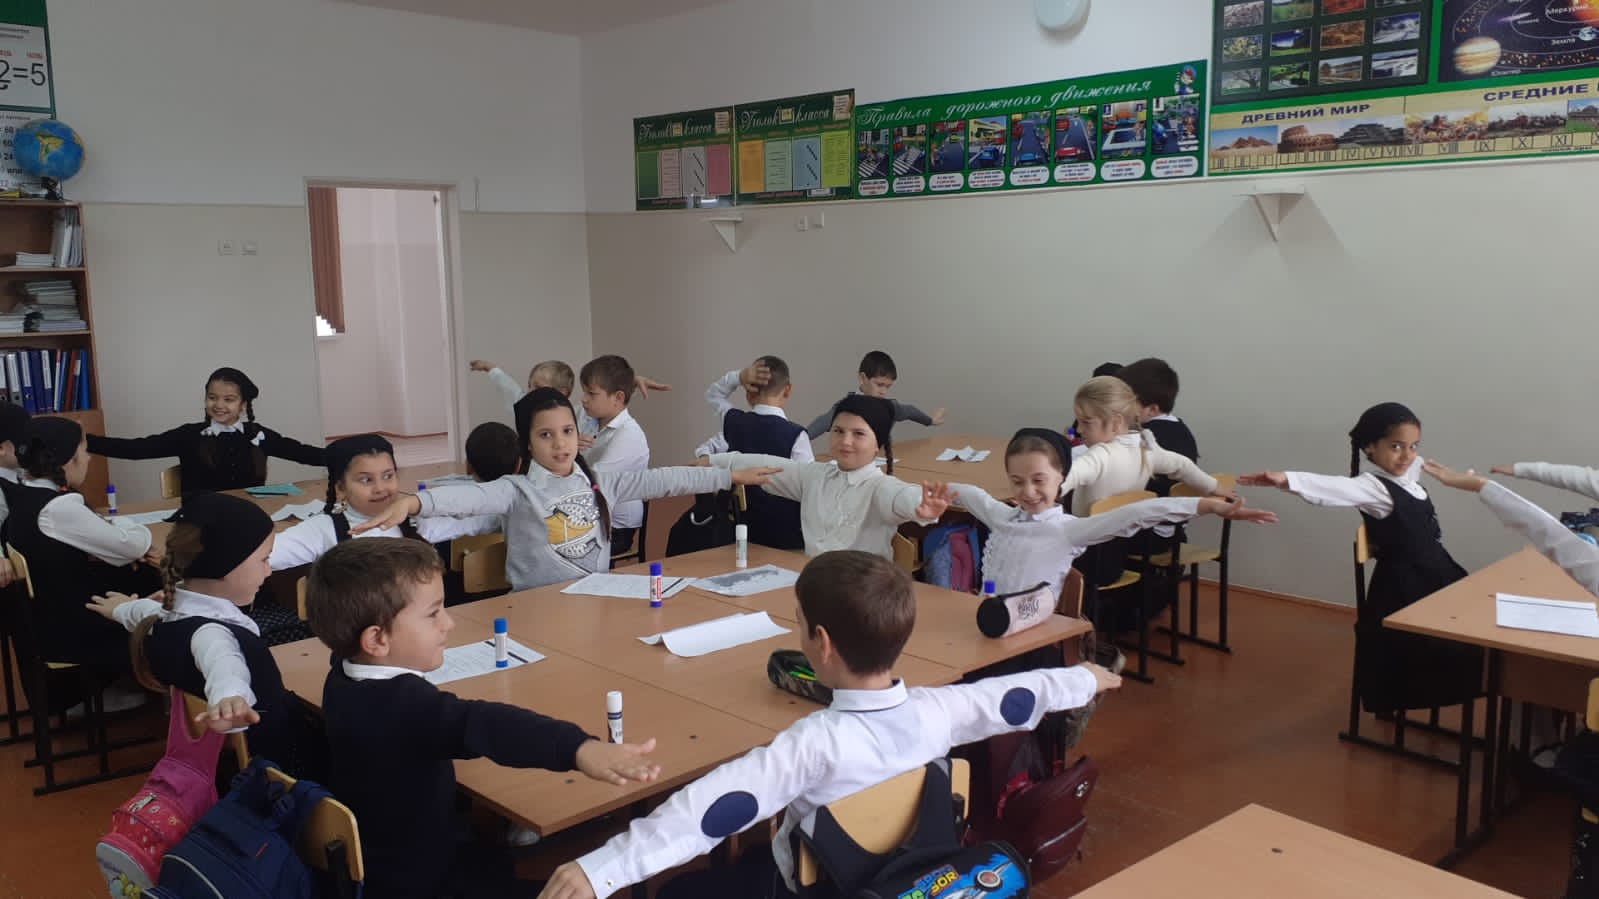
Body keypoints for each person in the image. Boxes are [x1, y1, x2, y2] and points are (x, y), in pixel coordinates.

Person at [534, 550, 1121, 899]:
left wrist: (600, 869)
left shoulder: (812, 745)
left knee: (683, 891)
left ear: (820, 643)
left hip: (819, 887)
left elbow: (711, 810)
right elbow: (1011, 698)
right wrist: (1084, 679)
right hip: (910, 870)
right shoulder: (937, 710)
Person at [307, 538, 662, 899]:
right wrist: (580, 749)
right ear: (376, 640)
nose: (449, 623)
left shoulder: (343, 675)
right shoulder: (405, 707)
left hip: (389, 863)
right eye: (433, 614)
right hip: (427, 879)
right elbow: (488, 725)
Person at [356, 388, 777, 590]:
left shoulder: (602, 483)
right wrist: (416, 502)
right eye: (546, 435)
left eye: (567, 431)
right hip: (535, 608)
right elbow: (470, 497)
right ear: (527, 444)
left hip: (597, 598)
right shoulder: (517, 490)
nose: (560, 444)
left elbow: (664, 479)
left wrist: (726, 475)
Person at [1240, 402, 1483, 715]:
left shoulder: (1409, 471)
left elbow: (1418, 462)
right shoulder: (1373, 488)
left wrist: (1458, 476)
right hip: (1404, 586)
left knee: (1476, 617)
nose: (1407, 456)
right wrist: (1286, 479)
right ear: (1370, 447)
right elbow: (1334, 489)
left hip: (1435, 571)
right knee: (1457, 637)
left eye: (1413, 446)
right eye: (1396, 447)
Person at [89, 492, 321, 777]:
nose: (269, 570)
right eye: (264, 560)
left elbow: (143, 611)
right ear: (225, 566)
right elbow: (223, 664)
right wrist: (229, 698)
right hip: (280, 769)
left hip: (227, 766)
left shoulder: (167, 615)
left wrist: (121, 608)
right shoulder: (211, 633)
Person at [949, 429, 1275, 599]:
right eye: (1017, 482)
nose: (1028, 491)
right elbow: (968, 493)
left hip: (1031, 637)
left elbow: (1140, 512)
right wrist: (932, 494)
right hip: (990, 623)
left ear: (1062, 477)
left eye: (1039, 480)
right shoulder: (1001, 518)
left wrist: (1210, 505)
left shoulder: (1067, 530)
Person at [706, 394, 953, 559]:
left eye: (858, 434)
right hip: (815, 585)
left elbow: (900, 496)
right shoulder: (815, 475)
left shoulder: (880, 487)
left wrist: (919, 505)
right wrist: (713, 461)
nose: (845, 441)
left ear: (877, 444)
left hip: (864, 592)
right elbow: (765, 464)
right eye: (838, 431)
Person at [3, 416, 158, 674]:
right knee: (154, 589)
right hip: (72, 630)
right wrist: (125, 524)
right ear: (68, 460)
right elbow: (134, 546)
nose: (89, 459)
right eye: (84, 451)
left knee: (138, 576)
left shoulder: (22, 490)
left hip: (48, 619)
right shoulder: (58, 507)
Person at [268, 434, 498, 571]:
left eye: (388, 476)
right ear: (341, 489)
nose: (380, 488)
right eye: (366, 480)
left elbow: (490, 518)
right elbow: (265, 555)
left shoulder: (417, 521)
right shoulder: (325, 529)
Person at [86, 367, 325, 493]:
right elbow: (138, 448)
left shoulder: (258, 435)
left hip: (248, 516)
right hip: (201, 521)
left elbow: (301, 452)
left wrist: (342, 454)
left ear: (243, 405)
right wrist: (87, 441)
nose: (219, 405)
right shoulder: (189, 435)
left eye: (229, 399)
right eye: (212, 397)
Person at [694, 357, 810, 550]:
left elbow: (713, 395)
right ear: (788, 389)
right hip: (784, 532)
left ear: (748, 391)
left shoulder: (733, 421)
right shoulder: (796, 435)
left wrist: (739, 377)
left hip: (737, 525)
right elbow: (807, 484)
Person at [803, 351, 945, 439]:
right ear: (863, 378)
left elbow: (910, 411)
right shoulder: (846, 407)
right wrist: (798, 442)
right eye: (879, 385)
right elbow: (822, 423)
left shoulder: (889, 407)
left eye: (888, 387)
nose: (883, 391)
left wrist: (930, 420)